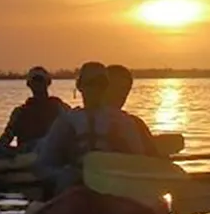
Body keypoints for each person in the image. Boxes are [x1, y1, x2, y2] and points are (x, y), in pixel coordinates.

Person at [33, 62, 155, 198]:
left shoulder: (123, 122)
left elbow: (139, 162)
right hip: (74, 191)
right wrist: (64, 175)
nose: (97, 88)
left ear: (107, 86)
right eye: (91, 83)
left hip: (113, 190)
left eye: (101, 83)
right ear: (80, 86)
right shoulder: (67, 122)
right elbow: (44, 166)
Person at [0, 66, 69, 153]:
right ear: (29, 84)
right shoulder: (20, 112)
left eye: (40, 80)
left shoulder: (59, 107)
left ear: (48, 83)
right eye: (34, 80)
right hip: (27, 155)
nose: (38, 83)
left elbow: (74, 126)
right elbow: (7, 137)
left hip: (52, 154)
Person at [105, 64, 161, 156]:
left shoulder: (136, 124)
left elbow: (153, 157)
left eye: (124, 89)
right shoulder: (77, 119)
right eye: (114, 87)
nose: (120, 94)